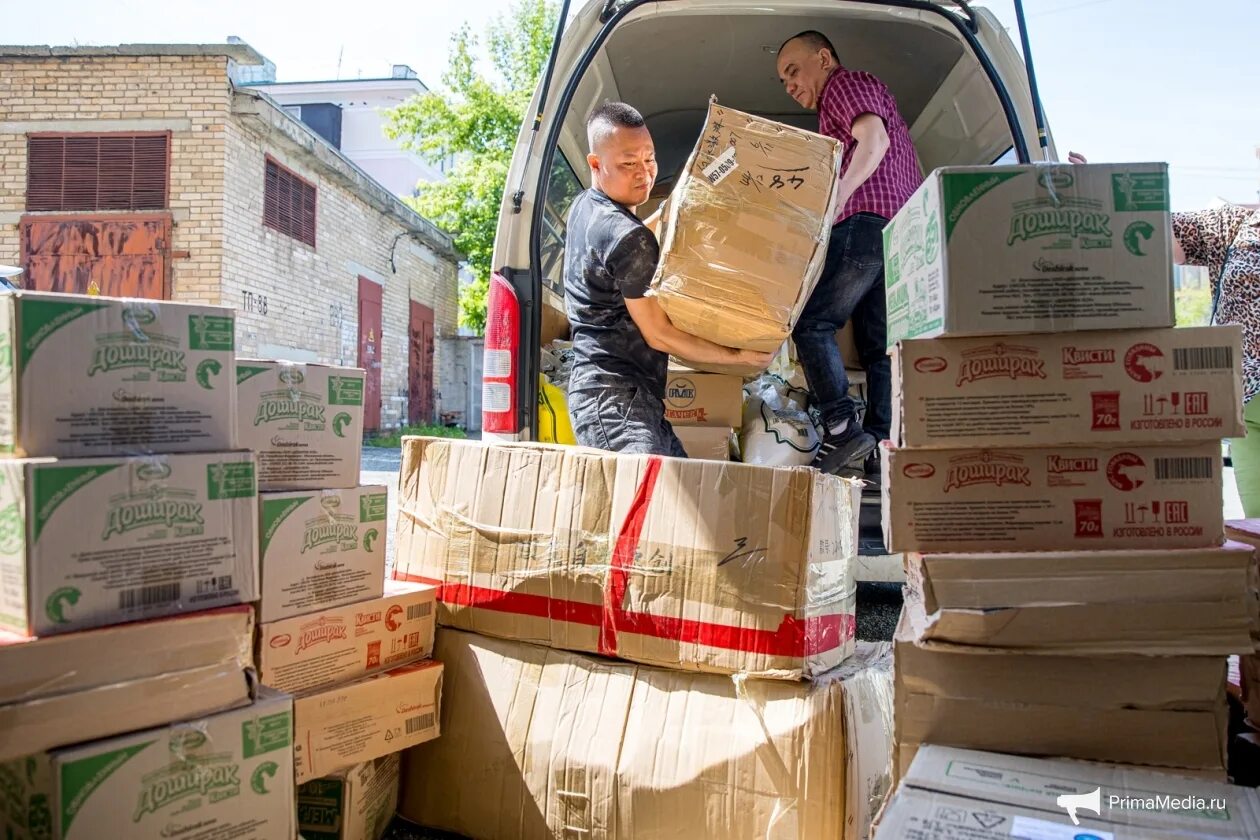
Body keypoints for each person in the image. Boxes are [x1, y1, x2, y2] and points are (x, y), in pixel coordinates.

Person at [563, 102, 773, 456]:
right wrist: (739, 358)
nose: (644, 173)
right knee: (642, 506)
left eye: (649, 159)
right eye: (629, 163)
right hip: (616, 404)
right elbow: (659, 334)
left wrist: (668, 214)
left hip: (613, 395)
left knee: (674, 489)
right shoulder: (630, 240)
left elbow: (617, 252)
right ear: (595, 164)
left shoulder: (585, 207)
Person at [1070, 152, 1260, 515]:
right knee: (1257, 531)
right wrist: (1107, 193)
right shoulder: (1237, 224)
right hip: (1246, 405)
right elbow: (1159, 236)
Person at [776, 31, 923, 477]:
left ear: (823, 58)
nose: (789, 85)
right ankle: (880, 449)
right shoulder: (860, 94)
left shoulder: (843, 85)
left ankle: (841, 428)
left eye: (793, 71)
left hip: (864, 224)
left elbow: (872, 142)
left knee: (812, 323)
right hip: (900, 237)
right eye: (782, 80)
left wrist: (838, 195)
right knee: (882, 349)